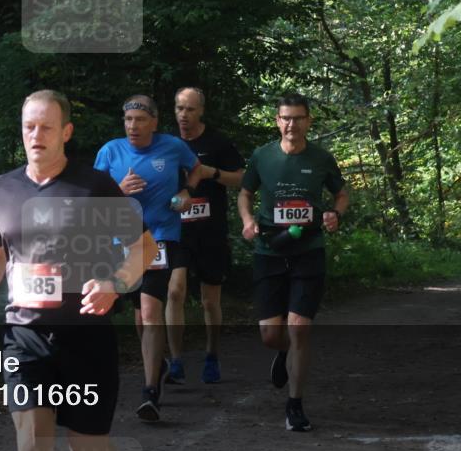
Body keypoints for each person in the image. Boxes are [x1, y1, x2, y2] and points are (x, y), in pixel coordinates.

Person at [0, 90, 156, 451]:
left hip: (85, 334)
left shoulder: (95, 187)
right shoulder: (0, 190)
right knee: (32, 445)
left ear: (66, 131)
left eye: (46, 127)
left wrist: (114, 285)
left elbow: (145, 248)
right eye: (28, 127)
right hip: (24, 334)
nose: (36, 135)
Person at [94, 94, 218, 421]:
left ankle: (150, 392)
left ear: (154, 122)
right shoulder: (111, 151)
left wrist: (185, 193)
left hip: (161, 237)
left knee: (150, 309)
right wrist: (118, 190)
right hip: (124, 242)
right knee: (139, 314)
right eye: (128, 120)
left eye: (140, 120)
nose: (133, 126)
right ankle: (158, 363)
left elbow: (195, 169)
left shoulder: (172, 146)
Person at [237, 93, 349, 432]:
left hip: (308, 248)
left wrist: (334, 214)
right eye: (285, 118)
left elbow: (341, 193)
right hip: (270, 250)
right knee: (272, 334)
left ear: (308, 121)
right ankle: (284, 353)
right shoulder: (262, 156)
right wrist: (246, 221)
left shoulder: (321, 158)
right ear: (277, 121)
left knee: (299, 327)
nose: (291, 124)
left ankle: (295, 405)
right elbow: (245, 192)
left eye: (298, 118)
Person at [166, 87, 245, 385]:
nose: (183, 115)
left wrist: (212, 173)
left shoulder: (217, 141)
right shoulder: (166, 144)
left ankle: (212, 355)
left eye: (189, 109)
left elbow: (241, 179)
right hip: (177, 229)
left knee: (210, 300)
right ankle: (176, 361)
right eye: (178, 108)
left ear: (201, 111)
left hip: (211, 230)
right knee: (174, 291)